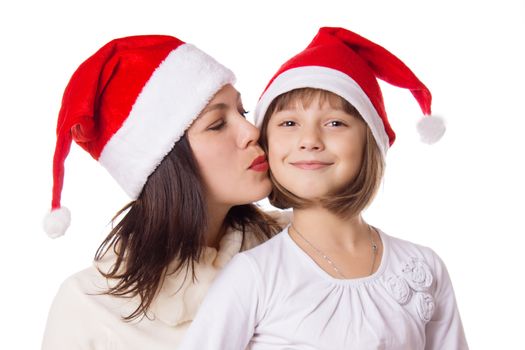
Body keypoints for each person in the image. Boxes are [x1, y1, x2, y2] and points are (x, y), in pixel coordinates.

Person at [179, 27, 468, 349]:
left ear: (370, 142)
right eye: (289, 123)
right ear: (266, 145)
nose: (310, 141)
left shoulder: (423, 267)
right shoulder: (253, 276)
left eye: (335, 123)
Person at [41, 34, 287, 349]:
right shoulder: (87, 306)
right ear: (162, 161)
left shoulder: (295, 247)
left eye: (242, 112)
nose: (251, 132)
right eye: (217, 124)